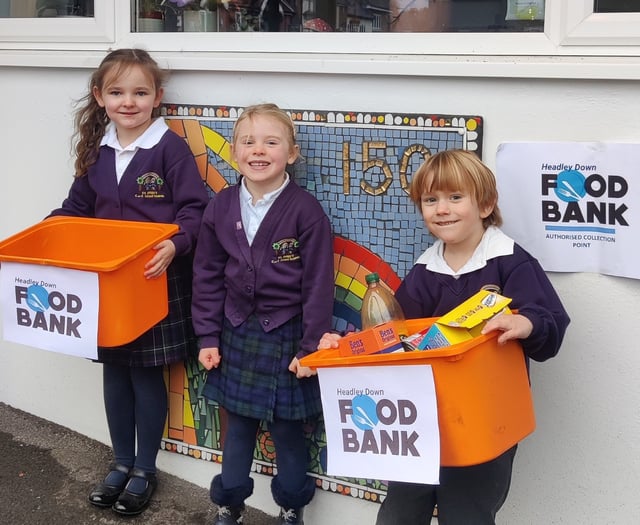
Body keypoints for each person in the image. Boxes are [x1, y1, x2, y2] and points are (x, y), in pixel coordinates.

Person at [319, 149, 570, 525]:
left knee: (467, 513)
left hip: (486, 421)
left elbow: (551, 325)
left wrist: (526, 324)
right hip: (421, 418)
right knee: (399, 513)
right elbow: (395, 338)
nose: (442, 209)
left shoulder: (511, 262)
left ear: (485, 204)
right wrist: (346, 346)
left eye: (455, 197)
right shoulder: (424, 271)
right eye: (431, 200)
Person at [48, 48, 209, 516]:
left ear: (157, 97)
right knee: (114, 371)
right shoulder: (96, 152)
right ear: (100, 97)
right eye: (117, 92)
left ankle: (144, 469)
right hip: (107, 286)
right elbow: (74, 210)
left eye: (140, 92)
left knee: (144, 374)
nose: (128, 102)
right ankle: (119, 463)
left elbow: (195, 212)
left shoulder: (169, 149)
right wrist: (41, 243)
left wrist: (175, 244)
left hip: (153, 281)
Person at [191, 103, 334, 525]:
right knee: (238, 429)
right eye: (248, 142)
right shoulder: (219, 207)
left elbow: (318, 285)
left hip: (288, 338)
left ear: (291, 153)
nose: (258, 150)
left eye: (271, 142)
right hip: (235, 334)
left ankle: (292, 506)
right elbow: (206, 276)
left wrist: (310, 348)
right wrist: (208, 337)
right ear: (235, 152)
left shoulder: (306, 211)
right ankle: (229, 503)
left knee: (289, 431)